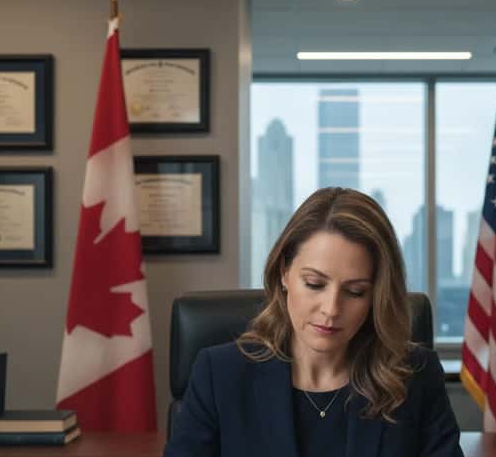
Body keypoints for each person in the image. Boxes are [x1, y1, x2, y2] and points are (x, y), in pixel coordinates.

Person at [164, 187, 464, 457]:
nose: (331, 309)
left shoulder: (415, 375)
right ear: (284, 273)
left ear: (376, 295)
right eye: (314, 284)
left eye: (355, 291)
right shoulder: (220, 375)